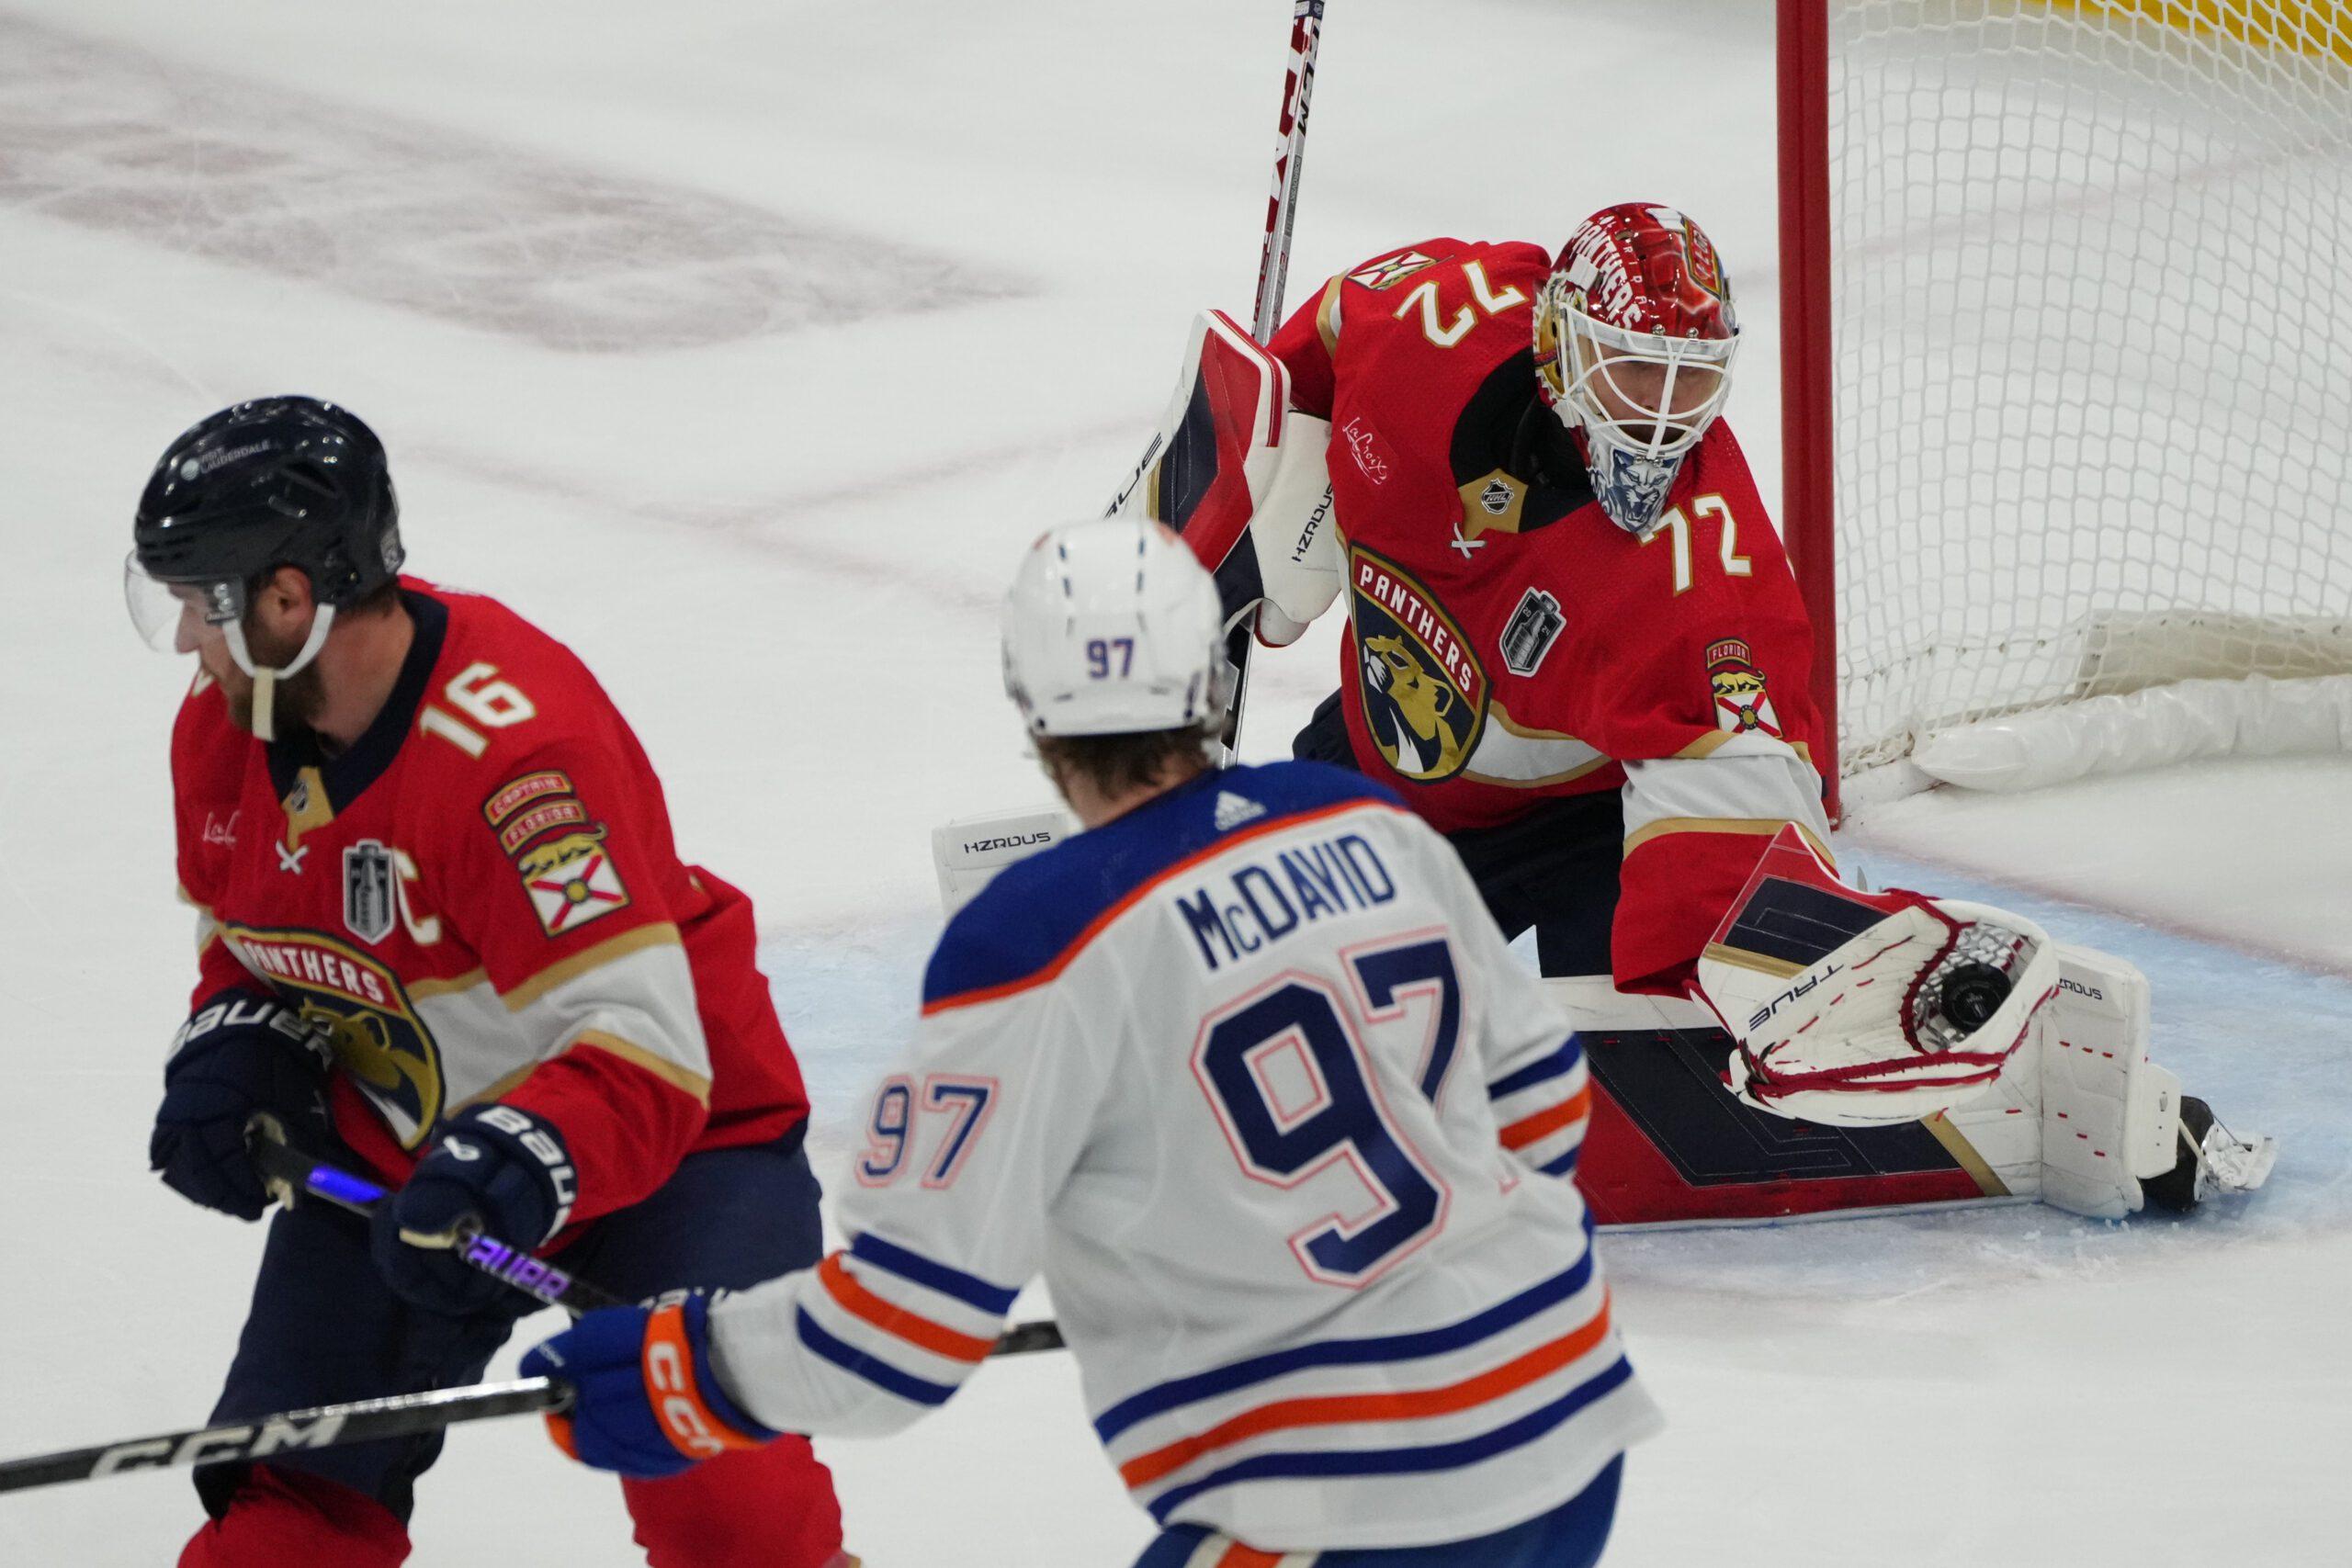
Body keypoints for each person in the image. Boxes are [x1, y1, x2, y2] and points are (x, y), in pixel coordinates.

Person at [522, 519, 1662, 1567]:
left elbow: (900, 1334)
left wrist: (680, 1369)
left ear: (1031, 709)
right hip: (1567, 1415)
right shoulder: (1359, 815)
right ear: (1208, 678)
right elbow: (1545, 1103)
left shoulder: (1031, 939)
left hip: (1352, 1496)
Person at [1139, 203, 2268, 1222]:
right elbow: (1305, 361)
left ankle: (2019, 1070)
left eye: (1693, 380)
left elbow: (1741, 831)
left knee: (1655, 1048)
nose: (1664, 416)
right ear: (1557, 343)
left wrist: (1782, 973)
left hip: (1594, 831)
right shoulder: (1428, 319)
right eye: (1635, 374)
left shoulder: (1704, 585)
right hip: (1399, 770)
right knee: (1230, 990)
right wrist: (1228, 514)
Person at [130, 397, 850, 1567]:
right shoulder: (222, 733)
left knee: (731, 1510)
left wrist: (510, 1168)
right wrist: (239, 1044)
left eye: (199, 606)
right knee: (284, 1531)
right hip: (403, 1160)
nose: (183, 648)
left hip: (674, 1144)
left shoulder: (518, 758)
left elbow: (645, 1049)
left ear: (286, 599)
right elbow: (253, 943)